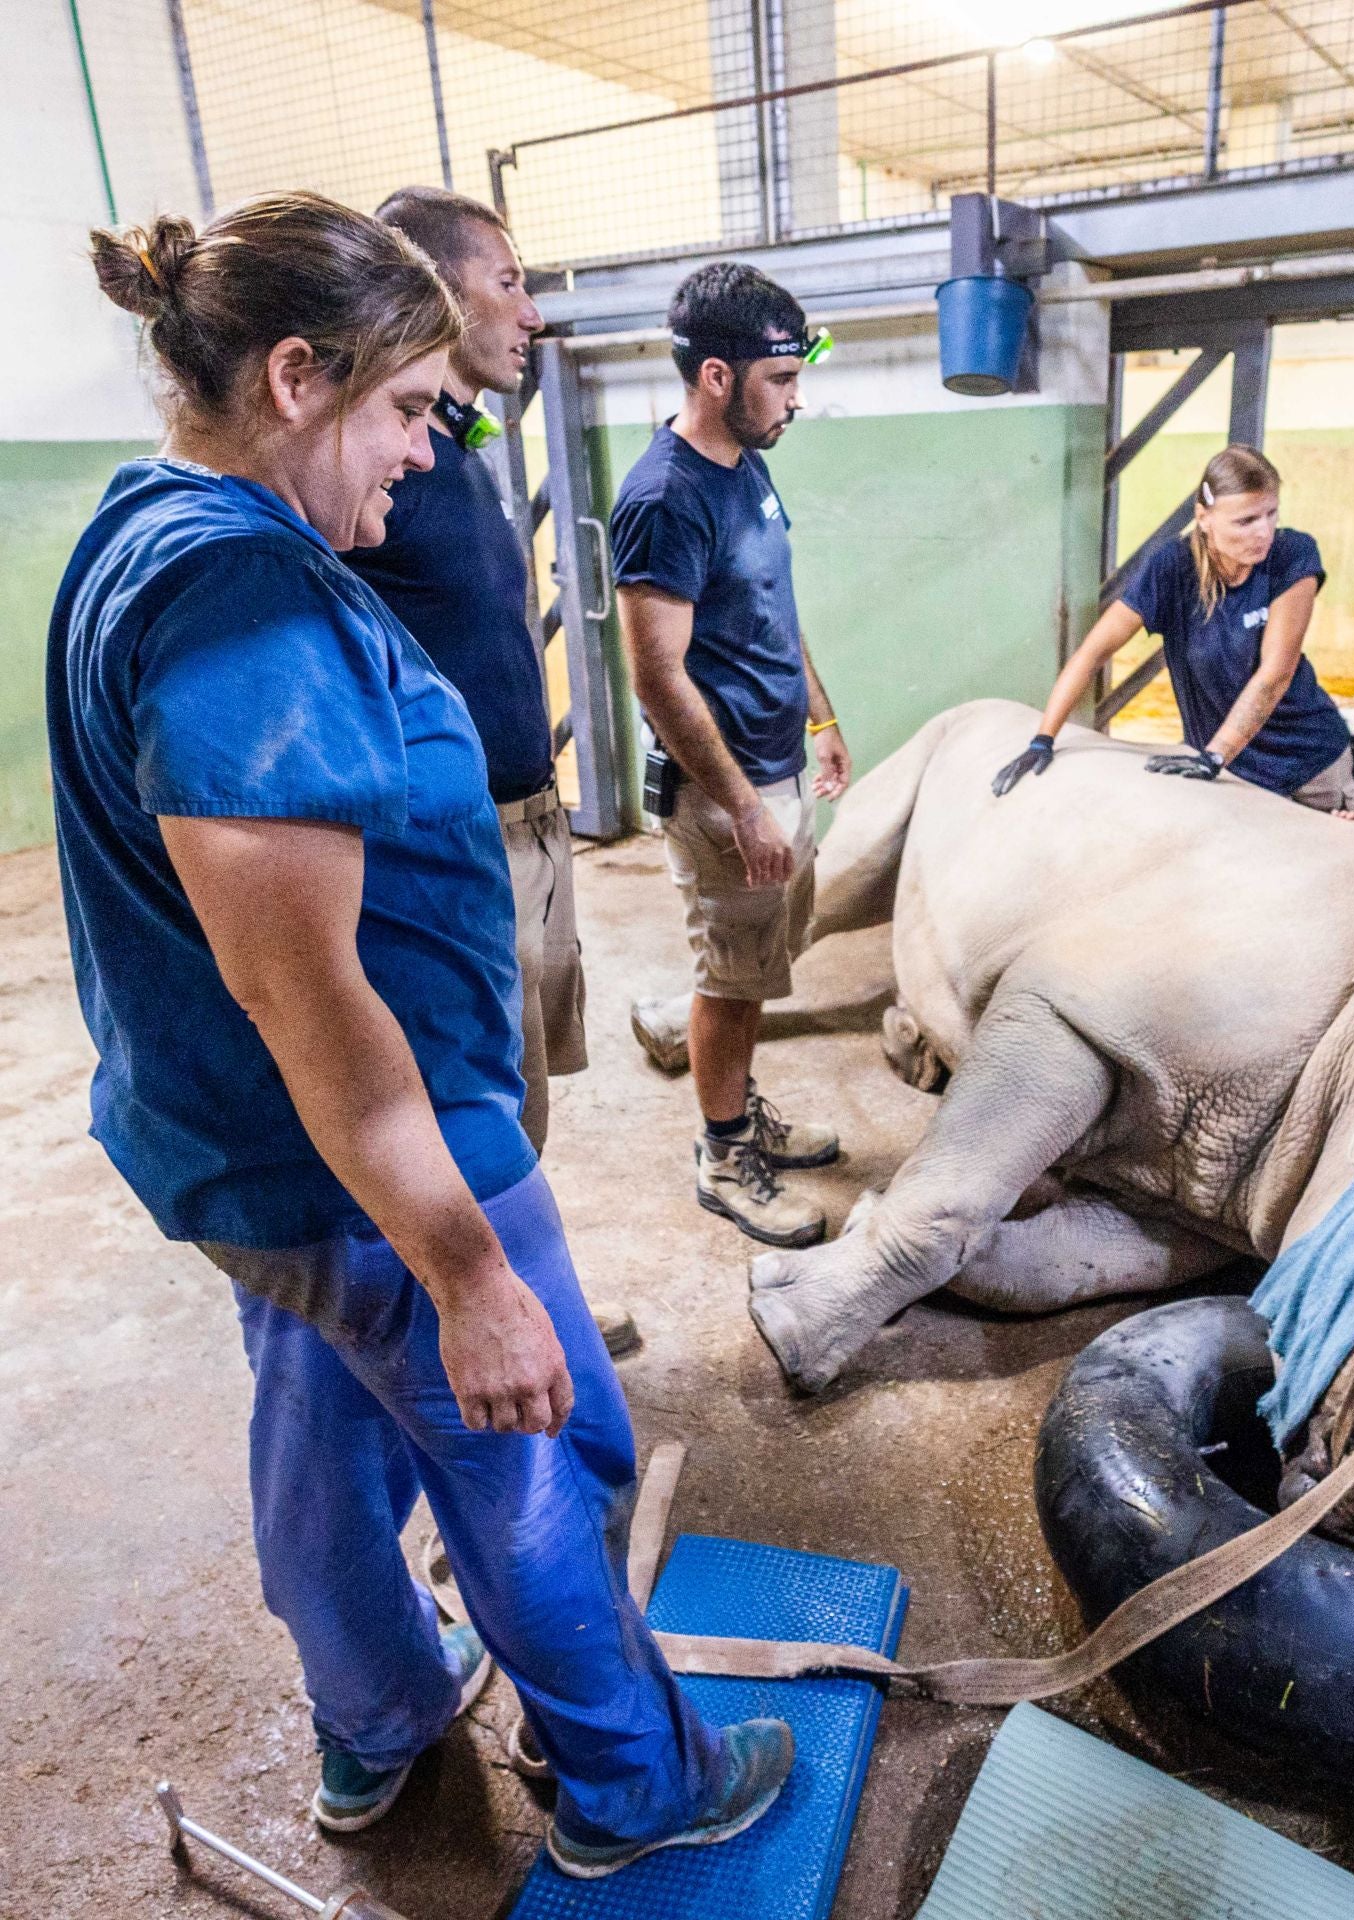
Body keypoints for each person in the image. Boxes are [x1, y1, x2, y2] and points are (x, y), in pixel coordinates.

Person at [55, 195, 791, 1879]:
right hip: (363, 1147)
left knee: (318, 1431)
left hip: (255, 1158)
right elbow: (299, 992)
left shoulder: (149, 524)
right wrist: (470, 1272)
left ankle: (377, 1721)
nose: (422, 456)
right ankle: (633, 1786)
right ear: (300, 376)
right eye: (406, 411)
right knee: (536, 1452)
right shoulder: (242, 601)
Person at [343, 187, 632, 1355]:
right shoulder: (381, 469)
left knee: (518, 1091)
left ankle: (524, 1294)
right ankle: (471, 1324)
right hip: (448, 843)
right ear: (431, 286)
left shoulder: (456, 449)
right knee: (462, 1096)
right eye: (510, 281)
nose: (532, 313)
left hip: (527, 819)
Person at [610, 261, 848, 1251]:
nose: (796, 399)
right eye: (781, 380)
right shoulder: (663, 498)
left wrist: (820, 721)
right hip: (721, 793)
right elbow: (658, 677)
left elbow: (766, 611)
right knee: (730, 974)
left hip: (772, 767)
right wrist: (744, 805)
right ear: (717, 376)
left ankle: (740, 1109)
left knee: (758, 965)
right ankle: (720, 1153)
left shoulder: (747, 463)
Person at [991, 444, 1354, 812]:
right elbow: (1094, 651)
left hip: (1313, 765)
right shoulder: (1172, 568)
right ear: (1204, 517)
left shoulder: (1292, 555)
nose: (1263, 531)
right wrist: (1044, 737)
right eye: (1246, 521)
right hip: (1231, 772)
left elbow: (1275, 673)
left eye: (1271, 513)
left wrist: (1215, 755)